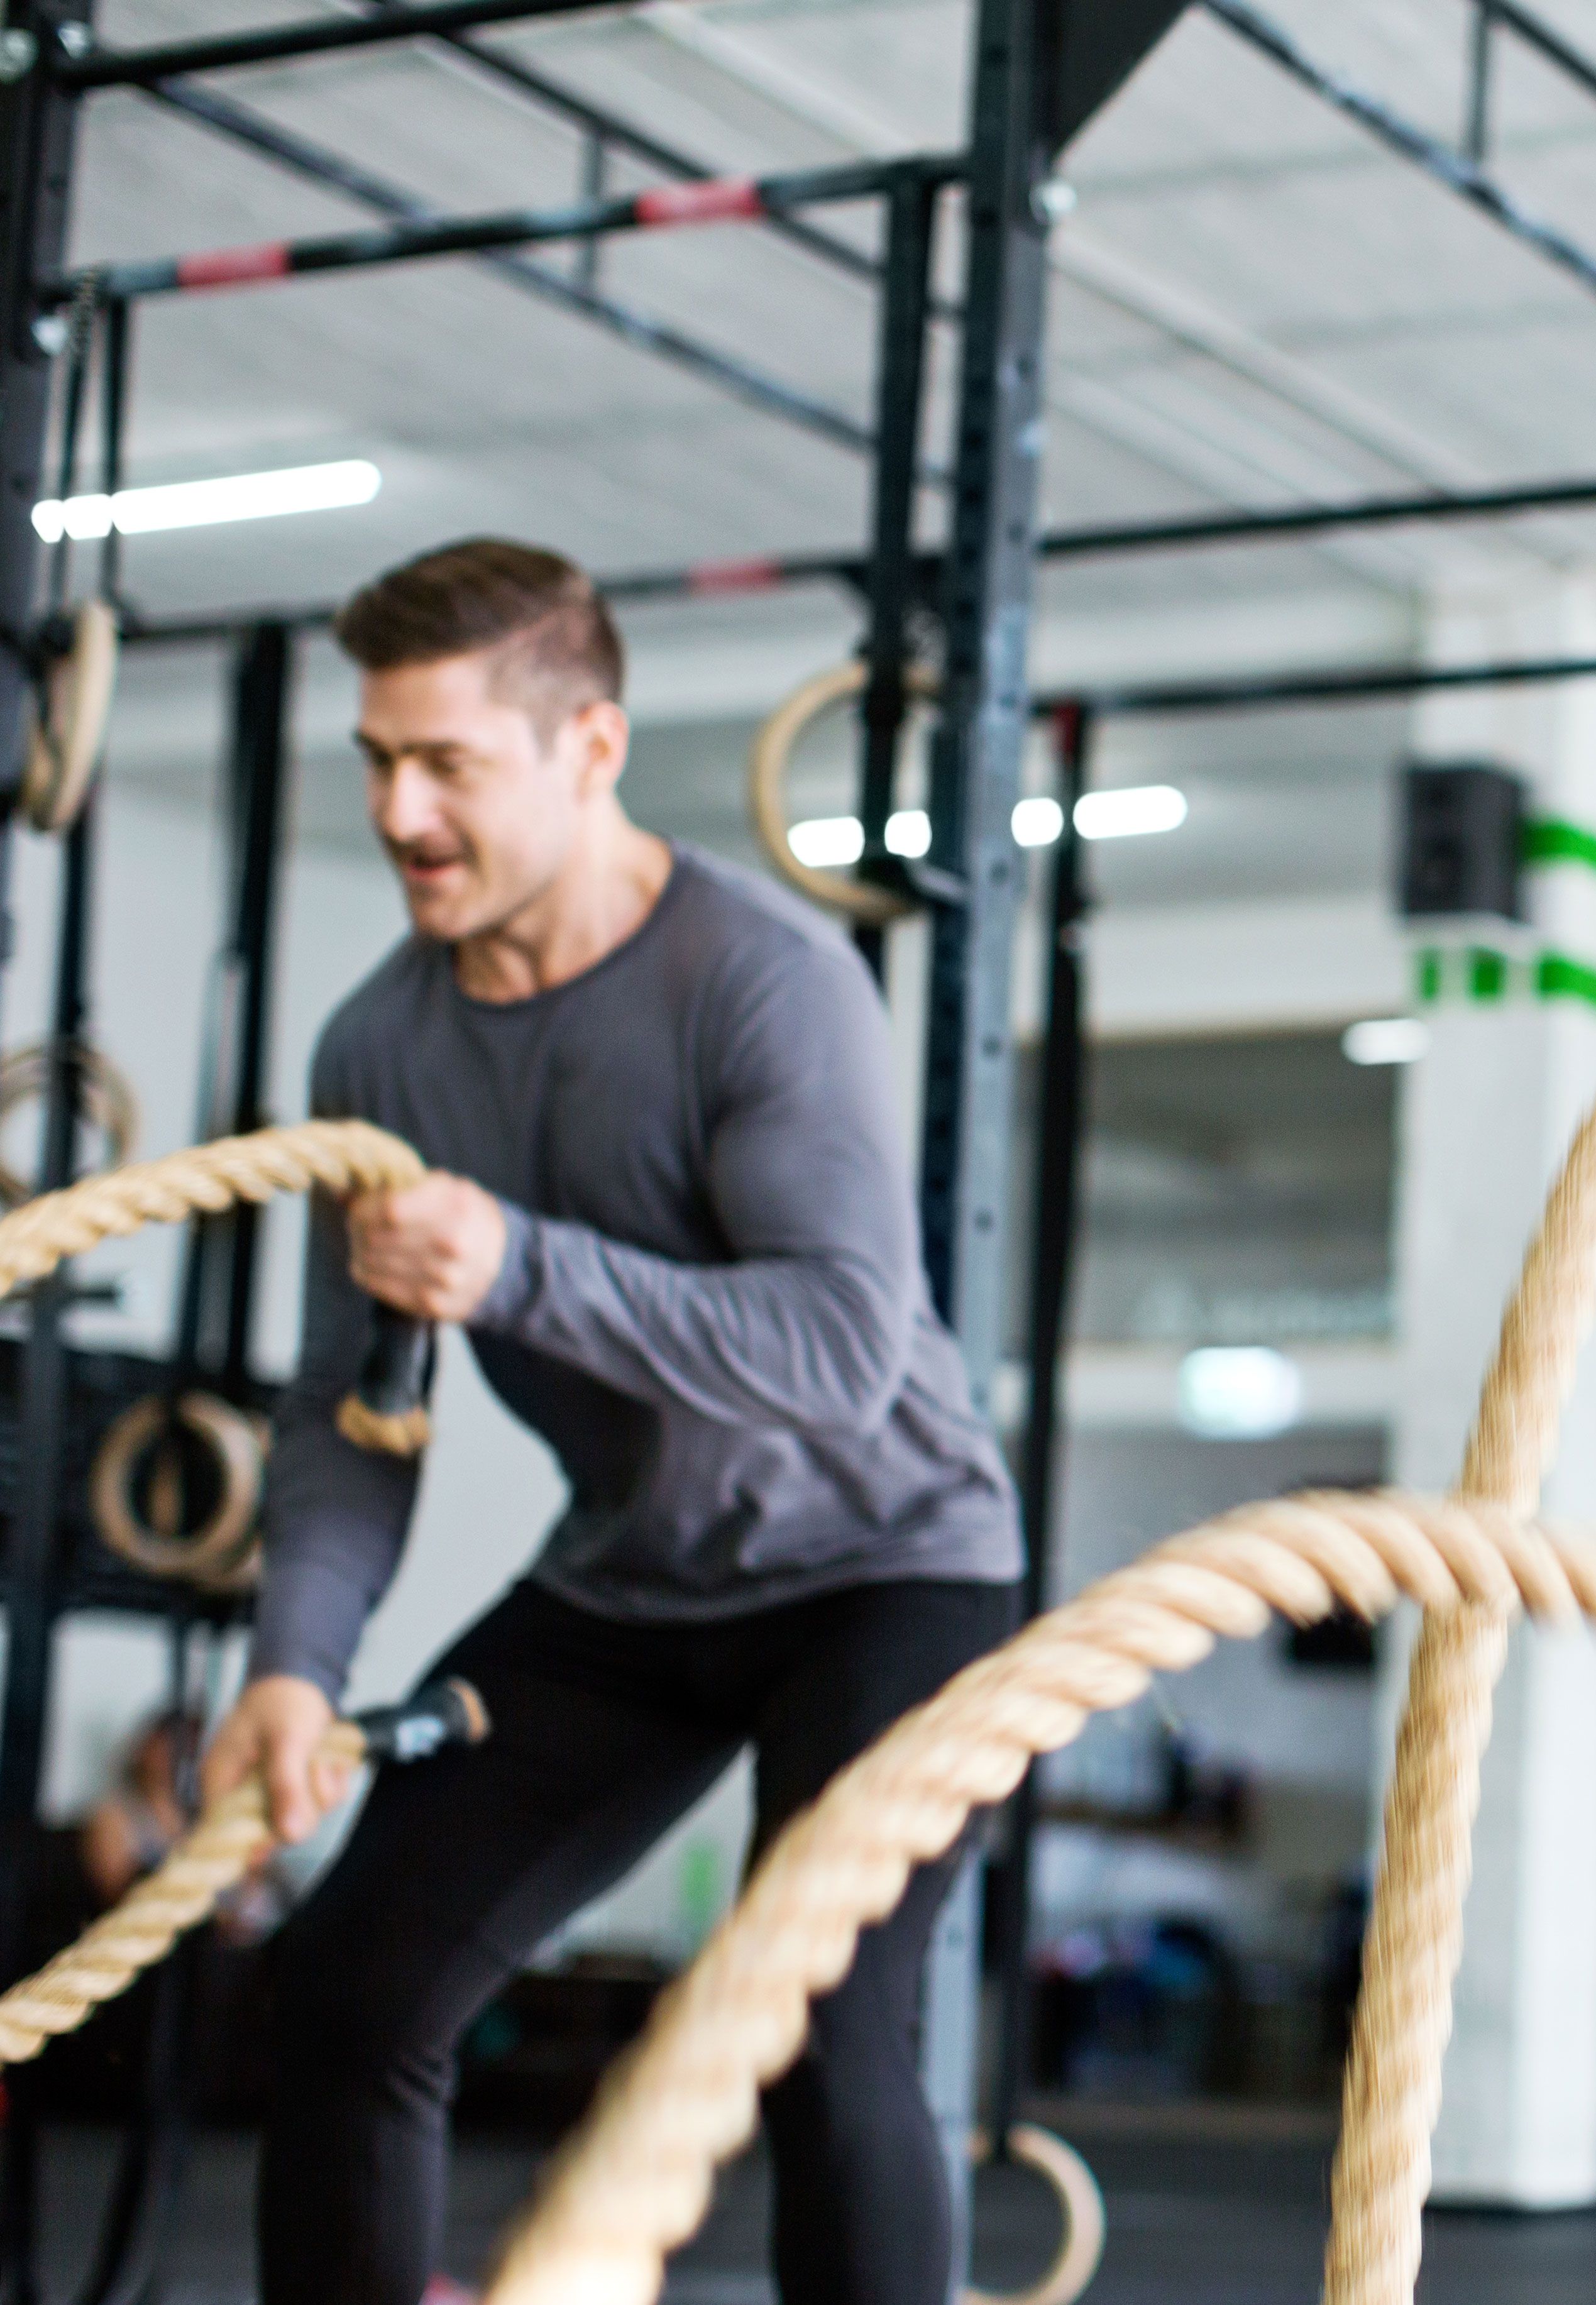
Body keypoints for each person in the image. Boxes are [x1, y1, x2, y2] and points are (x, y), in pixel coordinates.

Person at [198, 539, 1023, 2305]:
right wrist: (295, 1661)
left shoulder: (764, 982)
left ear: (591, 748)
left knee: (816, 2017)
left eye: (448, 765)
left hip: (890, 1574)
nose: (400, 813)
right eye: (378, 761)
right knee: (348, 1987)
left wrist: (516, 1265)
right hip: (635, 1583)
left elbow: (840, 1349)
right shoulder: (378, 1049)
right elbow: (354, 1411)